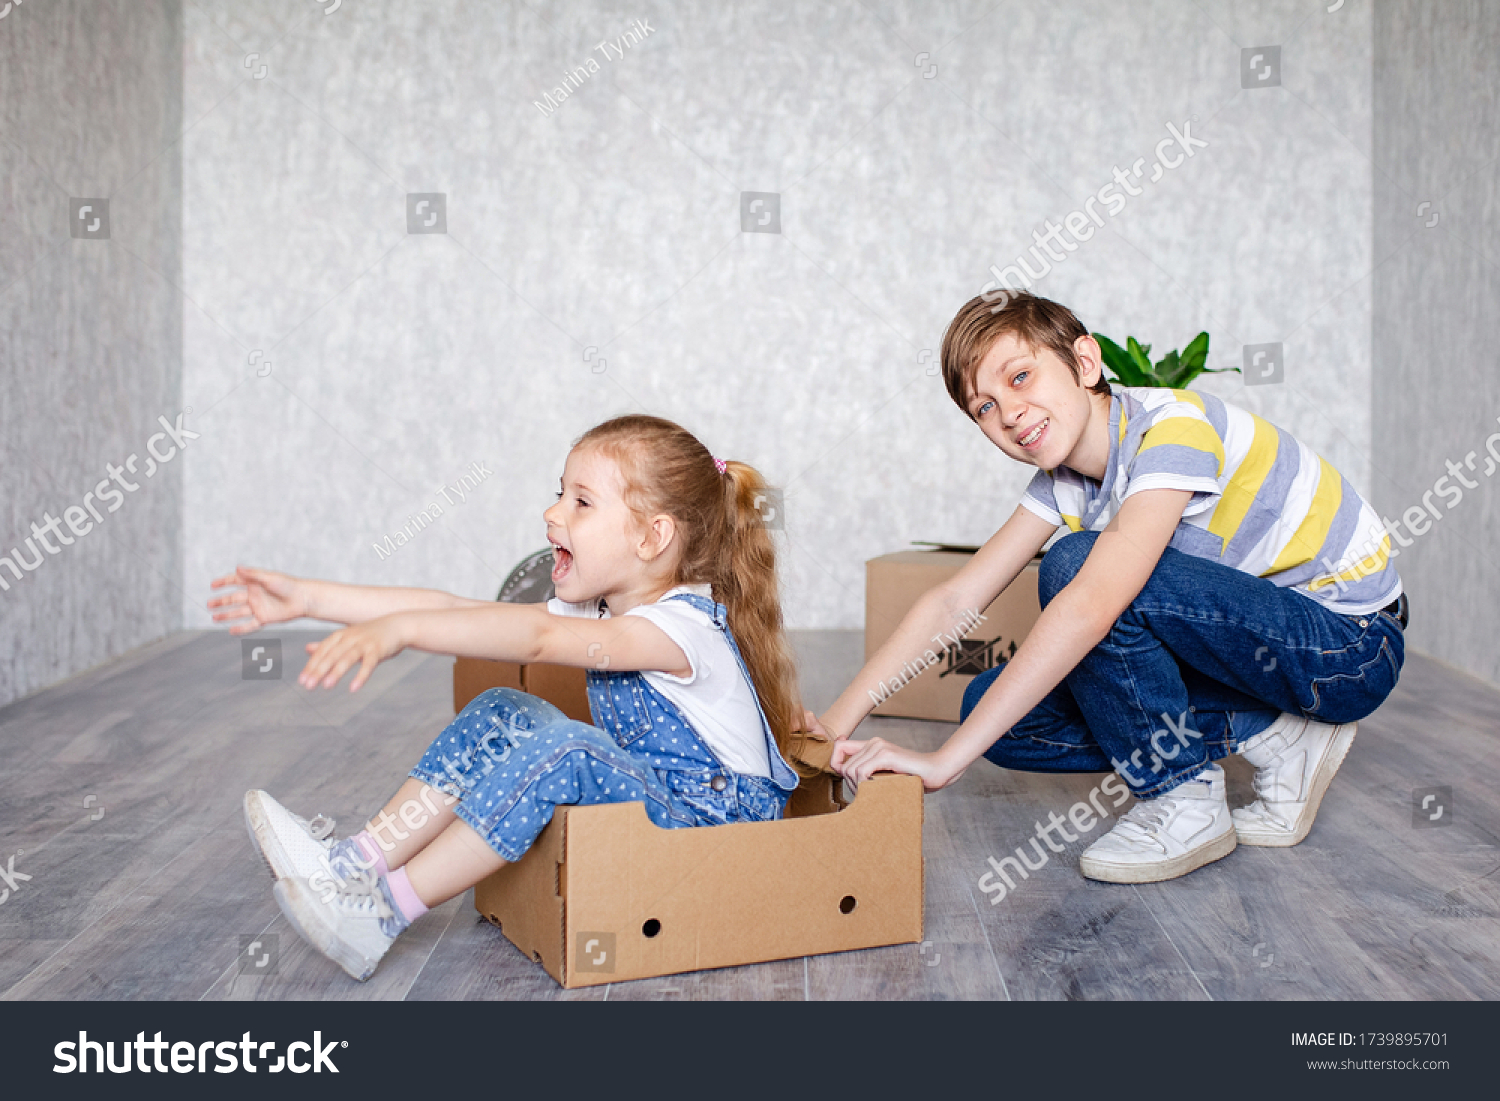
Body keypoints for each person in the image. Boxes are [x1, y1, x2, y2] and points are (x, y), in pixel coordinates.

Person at [821, 292, 1405, 885]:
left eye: (1021, 377)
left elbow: (1093, 604)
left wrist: (945, 761)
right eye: (985, 407)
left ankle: (1182, 799)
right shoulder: (1063, 483)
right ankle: (1279, 735)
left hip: (1349, 649)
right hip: (1262, 658)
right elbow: (955, 601)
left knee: (1076, 564)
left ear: (1084, 363)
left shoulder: (1174, 429)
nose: (1010, 413)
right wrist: (834, 724)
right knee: (994, 712)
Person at [208, 414, 804, 980]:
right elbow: (457, 609)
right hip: (661, 800)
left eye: (581, 501)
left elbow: (539, 640)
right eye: (559, 492)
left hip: (721, 828)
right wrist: (310, 599)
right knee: (504, 712)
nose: (552, 512)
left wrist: (402, 633)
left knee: (568, 748)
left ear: (653, 537)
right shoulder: (607, 607)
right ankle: (353, 868)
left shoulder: (680, 629)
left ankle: (382, 912)